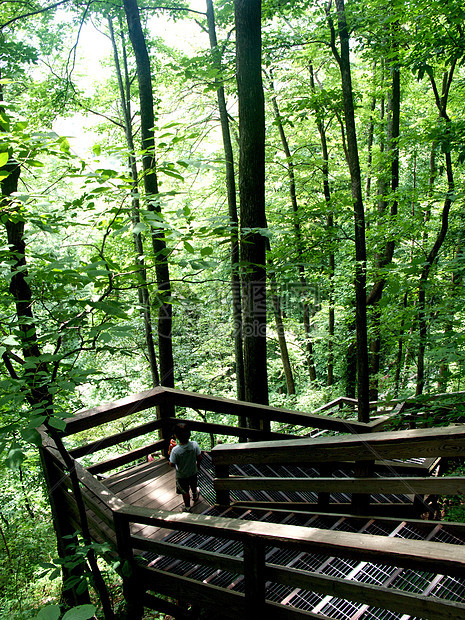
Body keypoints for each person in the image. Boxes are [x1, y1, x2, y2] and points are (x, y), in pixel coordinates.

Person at [169, 422, 202, 512]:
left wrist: (171, 451)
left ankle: (187, 507)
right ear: (189, 434)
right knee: (193, 484)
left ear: (176, 436)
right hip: (193, 471)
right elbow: (199, 457)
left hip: (182, 475)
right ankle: (195, 495)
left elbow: (172, 464)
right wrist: (198, 465)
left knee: (185, 491)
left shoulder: (175, 450)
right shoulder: (194, 445)